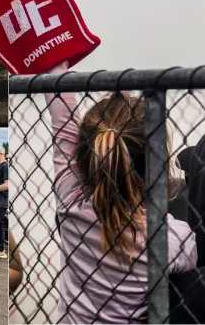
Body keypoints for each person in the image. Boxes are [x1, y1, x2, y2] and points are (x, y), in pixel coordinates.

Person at [42, 62, 196, 323]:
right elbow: (190, 255)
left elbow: (62, 119)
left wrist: (54, 59)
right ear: (157, 162)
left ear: (80, 158)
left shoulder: (71, 202)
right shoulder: (167, 237)